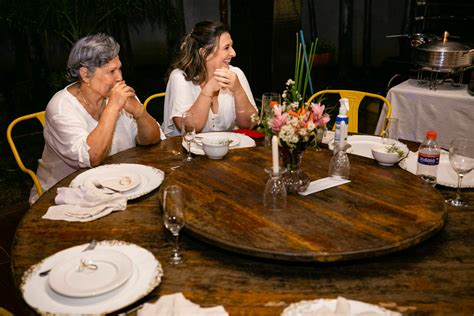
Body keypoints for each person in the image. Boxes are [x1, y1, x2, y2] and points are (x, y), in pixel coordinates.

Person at [30, 33, 163, 204]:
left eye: (119, 68)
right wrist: (113, 107)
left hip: (118, 186)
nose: (120, 78)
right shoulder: (61, 107)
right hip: (64, 196)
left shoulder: (116, 93)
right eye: (111, 71)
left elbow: (152, 139)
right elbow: (91, 157)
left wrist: (139, 112)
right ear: (85, 75)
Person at [162, 20, 258, 136]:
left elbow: (249, 124)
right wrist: (208, 89)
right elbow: (188, 127)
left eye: (232, 46)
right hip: (185, 150)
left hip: (227, 149)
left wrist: (238, 90)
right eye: (226, 47)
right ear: (204, 53)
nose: (233, 53)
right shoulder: (180, 77)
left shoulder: (235, 73)